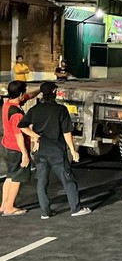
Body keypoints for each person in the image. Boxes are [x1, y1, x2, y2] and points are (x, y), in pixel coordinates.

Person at [18, 82, 91, 219]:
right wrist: (73, 150)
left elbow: (22, 125)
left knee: (42, 182)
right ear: (55, 92)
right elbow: (66, 131)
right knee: (67, 179)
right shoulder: (60, 110)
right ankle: (75, 209)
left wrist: (35, 136)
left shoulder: (35, 109)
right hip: (56, 150)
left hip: (40, 150)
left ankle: (45, 212)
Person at [0, 81, 38, 216]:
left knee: (10, 176)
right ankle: (10, 207)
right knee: (17, 178)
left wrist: (39, 91)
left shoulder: (8, 105)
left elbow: (28, 96)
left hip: (6, 146)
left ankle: (4, 204)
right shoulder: (17, 114)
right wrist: (25, 154)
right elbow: (19, 135)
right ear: (20, 94)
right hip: (16, 149)